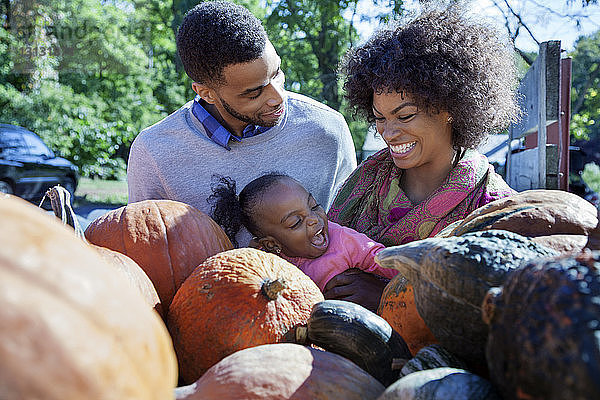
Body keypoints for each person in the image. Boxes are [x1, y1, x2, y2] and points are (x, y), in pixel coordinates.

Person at [323, 6, 521, 309]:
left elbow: (490, 306)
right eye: (380, 118)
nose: (388, 133)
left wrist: (391, 297)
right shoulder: (365, 181)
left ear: (450, 108)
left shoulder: (491, 204)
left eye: (405, 116)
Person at [127, 1, 356, 247]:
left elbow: (353, 228)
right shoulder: (153, 152)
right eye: (254, 93)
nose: (278, 96)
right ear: (207, 93)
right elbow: (146, 248)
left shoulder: (327, 129)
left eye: (276, 73)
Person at [208, 174, 398, 303]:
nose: (314, 220)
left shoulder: (344, 240)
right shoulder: (271, 263)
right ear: (271, 244)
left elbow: (391, 262)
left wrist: (388, 292)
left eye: (314, 206)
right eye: (296, 222)